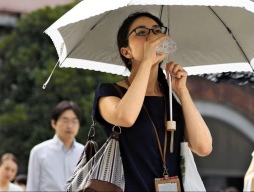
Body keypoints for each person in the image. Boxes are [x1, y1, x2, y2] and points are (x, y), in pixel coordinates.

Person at [93, 11, 212, 191]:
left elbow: (203, 147)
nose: (151, 37)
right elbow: (126, 117)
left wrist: (182, 91)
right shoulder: (110, 92)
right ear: (126, 51)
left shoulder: (170, 100)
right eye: (141, 32)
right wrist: (147, 61)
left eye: (157, 31)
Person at [27, 100, 84, 191]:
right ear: (54, 123)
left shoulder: (86, 153)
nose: (70, 125)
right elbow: (32, 188)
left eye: (74, 121)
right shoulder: (38, 152)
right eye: (65, 121)